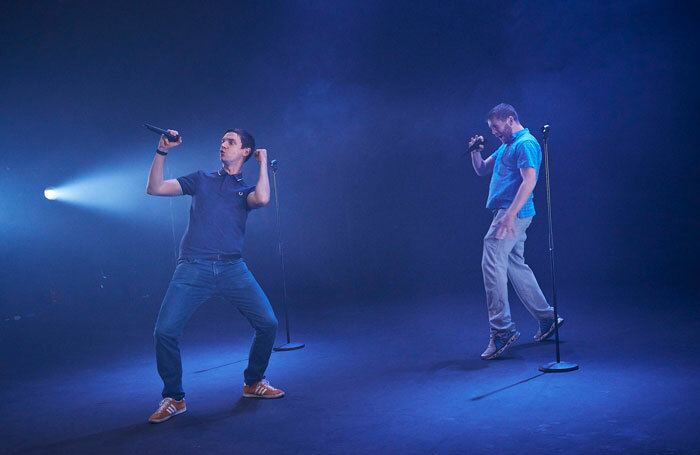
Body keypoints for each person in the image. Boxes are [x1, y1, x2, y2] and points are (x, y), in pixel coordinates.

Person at [145, 128, 284, 424]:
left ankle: (253, 382)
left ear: (245, 151)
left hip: (233, 268)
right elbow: (154, 188)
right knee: (165, 331)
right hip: (192, 268)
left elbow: (261, 199)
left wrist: (263, 162)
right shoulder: (202, 179)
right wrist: (162, 151)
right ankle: (174, 398)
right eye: (221, 141)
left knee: (268, 323)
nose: (222, 145)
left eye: (230, 142)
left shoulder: (244, 190)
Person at [468, 103, 563, 360]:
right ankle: (547, 318)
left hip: (512, 214)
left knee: (491, 263)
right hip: (509, 213)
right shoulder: (507, 145)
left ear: (510, 120)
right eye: (492, 129)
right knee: (513, 264)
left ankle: (502, 331)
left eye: (496, 128)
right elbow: (481, 170)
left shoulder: (525, 143)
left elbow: (530, 180)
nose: (495, 133)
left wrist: (509, 214)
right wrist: (475, 151)